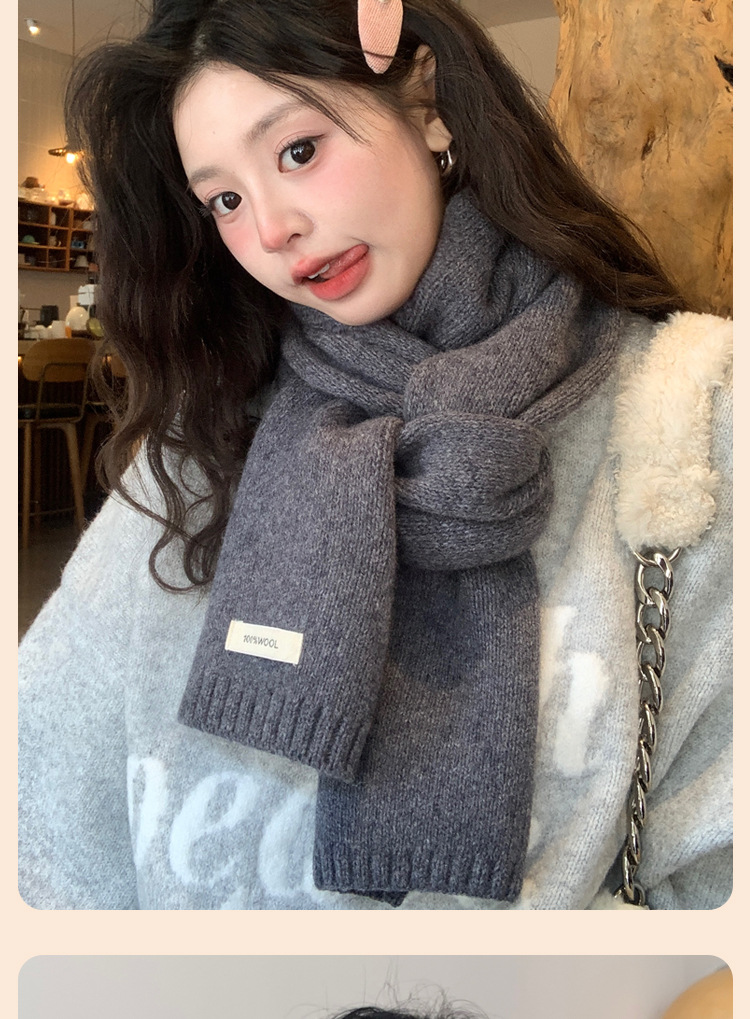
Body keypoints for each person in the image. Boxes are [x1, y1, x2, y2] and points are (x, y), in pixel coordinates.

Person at [18, 0, 731, 910]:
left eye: (298, 150)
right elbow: (42, 824)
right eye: (225, 200)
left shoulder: (685, 419)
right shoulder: (202, 443)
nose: (270, 229)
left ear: (426, 103)